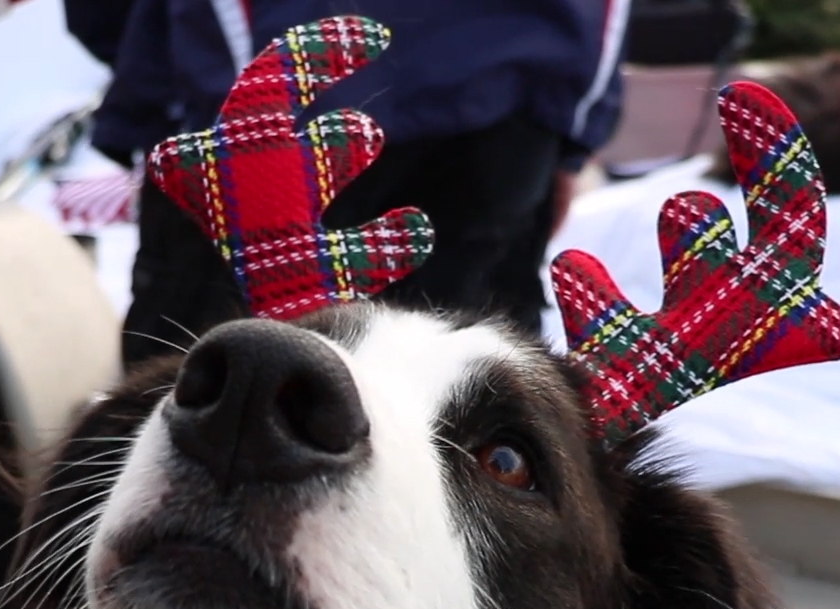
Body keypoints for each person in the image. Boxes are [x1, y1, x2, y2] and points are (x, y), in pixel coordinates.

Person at [70, 0, 636, 363]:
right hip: (510, 81)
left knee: (201, 366)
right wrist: (573, 131)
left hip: (257, 80)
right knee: (458, 384)